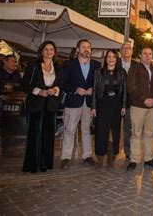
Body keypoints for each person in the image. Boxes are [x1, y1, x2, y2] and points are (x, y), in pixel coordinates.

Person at [21, 41, 62, 173]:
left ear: (54, 52)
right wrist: (40, 91)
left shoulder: (58, 66)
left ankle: (45, 163)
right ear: (41, 51)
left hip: (51, 105)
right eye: (46, 49)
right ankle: (32, 164)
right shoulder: (33, 65)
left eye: (51, 49)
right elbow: (24, 85)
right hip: (36, 105)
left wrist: (55, 89)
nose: (49, 51)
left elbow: (61, 84)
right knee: (35, 135)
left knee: (48, 136)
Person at [60, 39, 101, 169]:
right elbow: (63, 83)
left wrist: (93, 90)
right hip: (73, 101)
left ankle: (87, 156)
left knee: (86, 130)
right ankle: (65, 157)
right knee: (70, 130)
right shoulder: (68, 64)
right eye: (83, 47)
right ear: (77, 49)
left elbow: (100, 83)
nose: (86, 49)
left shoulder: (97, 65)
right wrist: (75, 89)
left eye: (89, 47)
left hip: (89, 103)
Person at [126, 47, 153, 171]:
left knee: (149, 133)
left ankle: (148, 158)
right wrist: (144, 99)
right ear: (140, 55)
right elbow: (131, 87)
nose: (148, 56)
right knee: (136, 133)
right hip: (138, 106)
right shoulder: (134, 69)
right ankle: (134, 159)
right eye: (145, 54)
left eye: (150, 54)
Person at [91, 49, 127, 168]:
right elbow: (95, 91)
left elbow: (125, 91)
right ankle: (100, 157)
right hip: (102, 104)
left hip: (116, 105)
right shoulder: (98, 72)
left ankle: (112, 156)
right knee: (101, 131)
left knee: (114, 132)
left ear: (117, 59)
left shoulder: (122, 72)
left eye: (114, 57)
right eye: (109, 57)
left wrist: (124, 105)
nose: (111, 59)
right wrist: (93, 107)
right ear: (105, 59)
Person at [119, 41, 138, 161]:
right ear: (121, 51)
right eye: (124, 48)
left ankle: (128, 152)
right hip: (115, 102)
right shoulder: (115, 63)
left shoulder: (137, 65)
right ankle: (113, 151)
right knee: (113, 129)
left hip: (130, 103)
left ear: (132, 51)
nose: (126, 50)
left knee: (128, 129)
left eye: (128, 48)